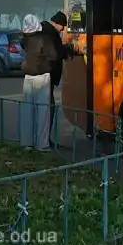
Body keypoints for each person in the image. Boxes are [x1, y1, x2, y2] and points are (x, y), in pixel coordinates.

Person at [19, 14, 58, 151]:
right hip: (42, 76)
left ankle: (27, 143)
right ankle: (42, 144)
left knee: (27, 111)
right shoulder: (44, 39)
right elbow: (54, 55)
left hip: (28, 76)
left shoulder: (25, 39)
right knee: (43, 111)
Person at [41, 10, 74, 145]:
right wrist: (66, 50)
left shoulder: (46, 31)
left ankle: (44, 139)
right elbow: (55, 53)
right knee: (49, 109)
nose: (63, 29)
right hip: (47, 76)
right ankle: (44, 140)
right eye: (62, 25)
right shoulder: (50, 34)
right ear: (57, 23)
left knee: (46, 108)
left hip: (45, 76)